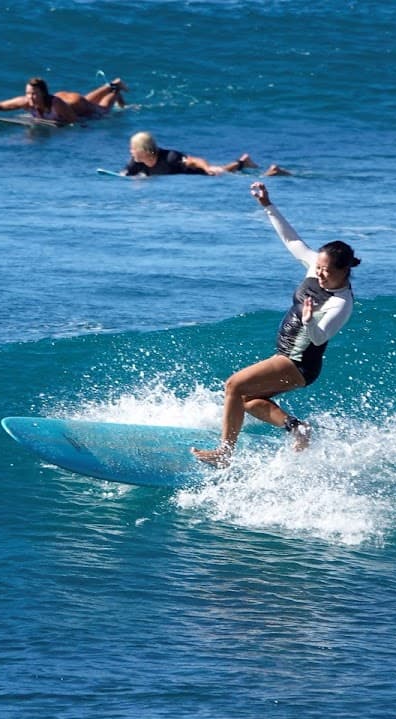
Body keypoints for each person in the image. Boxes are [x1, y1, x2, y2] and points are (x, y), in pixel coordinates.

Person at [192, 182, 360, 467]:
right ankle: (298, 428)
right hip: (285, 356)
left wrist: (308, 321)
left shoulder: (341, 303)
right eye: (318, 267)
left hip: (299, 363)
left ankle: (224, 453)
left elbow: (319, 339)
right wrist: (268, 206)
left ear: (344, 271)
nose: (320, 274)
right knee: (247, 400)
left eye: (327, 271)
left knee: (233, 385)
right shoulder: (315, 268)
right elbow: (293, 242)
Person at [122, 131, 288, 177]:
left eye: (133, 148)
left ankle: (273, 172)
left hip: (201, 175)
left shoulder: (170, 157)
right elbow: (125, 176)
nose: (130, 151)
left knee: (221, 172)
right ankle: (242, 162)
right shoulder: (135, 163)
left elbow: (195, 160)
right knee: (223, 169)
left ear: (143, 149)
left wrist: (207, 168)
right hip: (197, 178)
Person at [0, 77, 127, 125]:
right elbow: (1, 106)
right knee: (89, 100)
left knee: (101, 110)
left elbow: (74, 121)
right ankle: (111, 85)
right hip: (67, 101)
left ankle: (115, 90)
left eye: (34, 94)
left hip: (73, 104)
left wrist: (63, 125)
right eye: (28, 93)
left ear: (43, 94)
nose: (30, 97)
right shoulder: (25, 101)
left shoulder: (56, 104)